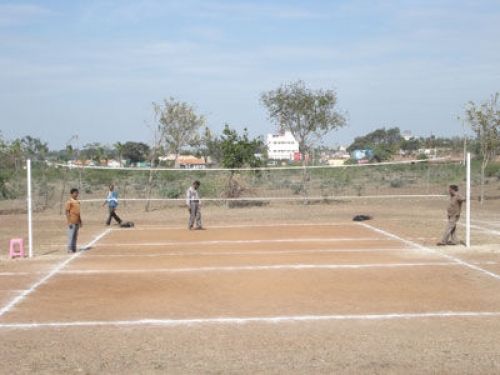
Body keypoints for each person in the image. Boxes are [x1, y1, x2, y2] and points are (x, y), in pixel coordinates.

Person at [65, 188, 82, 253]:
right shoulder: (69, 202)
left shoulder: (78, 202)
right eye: (75, 193)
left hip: (77, 221)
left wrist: (80, 221)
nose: (76, 194)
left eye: (77, 193)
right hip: (72, 221)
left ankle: (74, 248)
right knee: (71, 236)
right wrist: (69, 222)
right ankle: (69, 249)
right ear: (71, 194)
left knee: (75, 236)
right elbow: (67, 212)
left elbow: (78, 212)